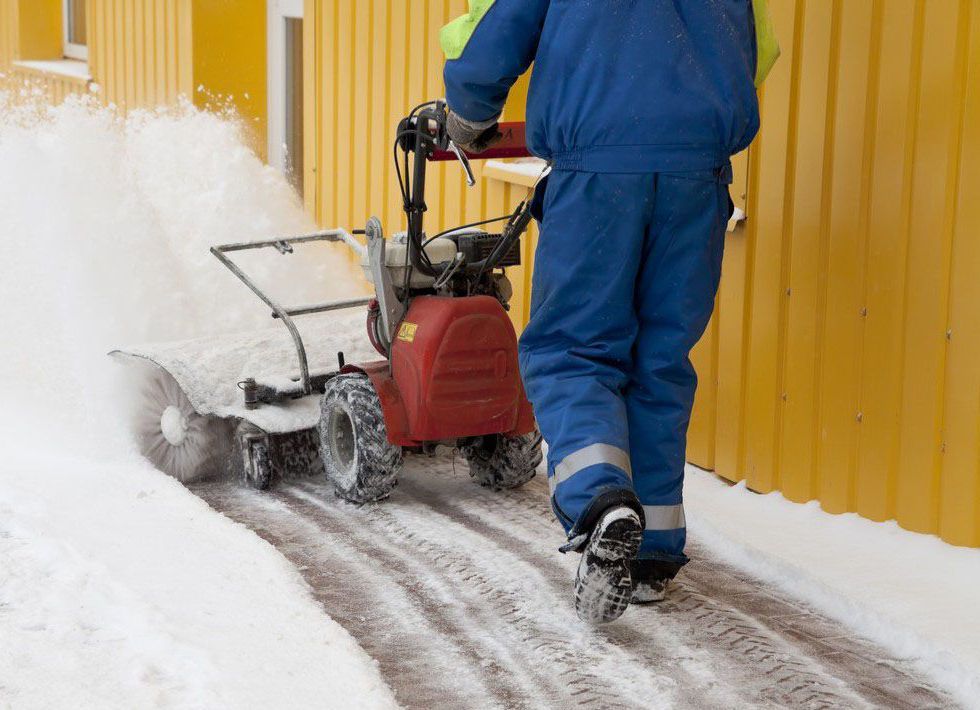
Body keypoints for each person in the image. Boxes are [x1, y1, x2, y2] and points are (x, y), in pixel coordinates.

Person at [442, 0, 779, 624]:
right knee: (659, 362)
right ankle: (651, 553)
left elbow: (491, 39)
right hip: (697, 178)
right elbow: (759, 52)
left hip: (597, 172)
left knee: (571, 351)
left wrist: (468, 115)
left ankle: (600, 502)